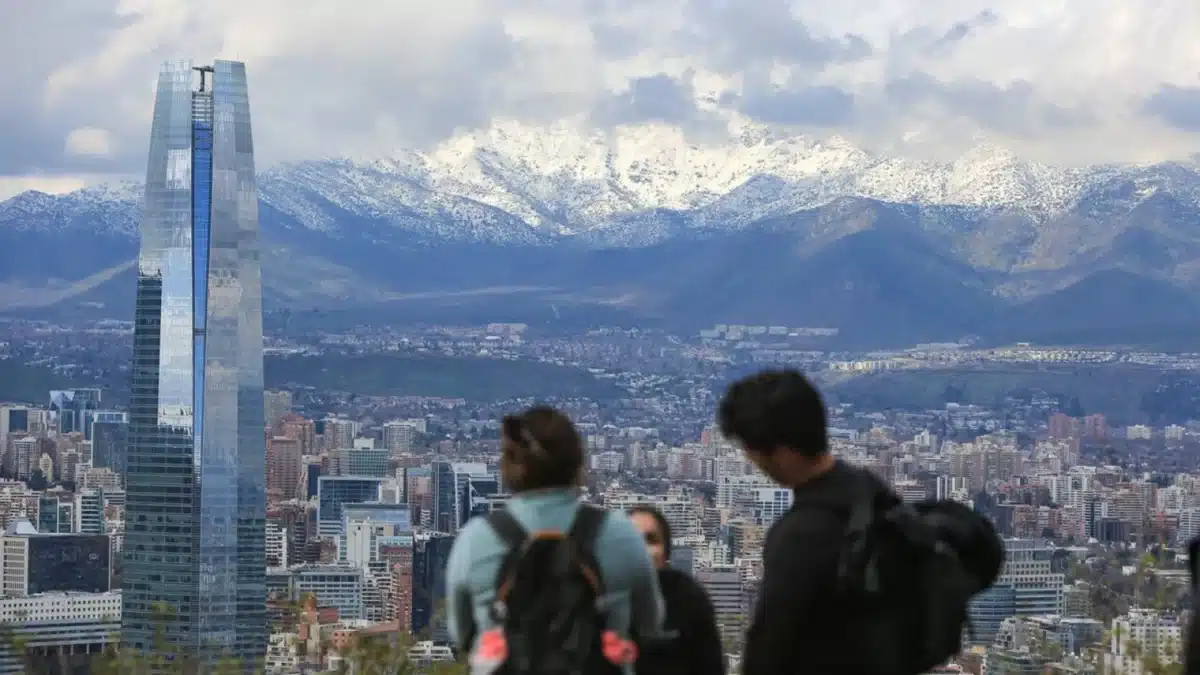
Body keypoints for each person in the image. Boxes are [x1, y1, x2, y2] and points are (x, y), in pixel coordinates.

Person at [718, 369, 1002, 675]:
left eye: (752, 450)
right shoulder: (870, 492)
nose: (752, 460)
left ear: (782, 452)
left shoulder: (799, 535)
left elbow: (770, 648)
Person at [445, 405, 664, 674]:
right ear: (577, 465)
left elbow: (461, 634)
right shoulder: (620, 535)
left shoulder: (476, 540)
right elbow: (649, 624)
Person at [628, 505, 725, 675]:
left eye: (650, 540)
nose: (640, 548)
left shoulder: (688, 599)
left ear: (666, 554)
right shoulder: (598, 599)